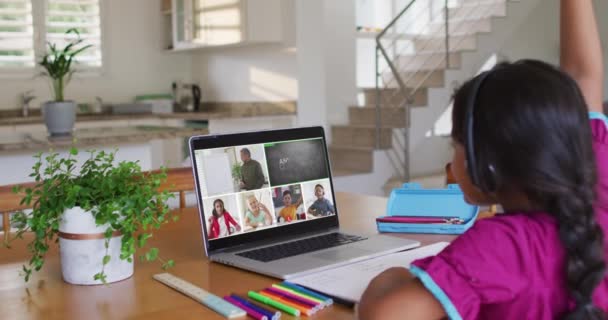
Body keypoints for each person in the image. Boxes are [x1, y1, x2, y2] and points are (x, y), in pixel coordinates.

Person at [358, 1, 607, 319]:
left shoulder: (503, 245)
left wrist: (392, 275)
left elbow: (385, 315)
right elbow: (583, 74)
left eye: (456, 142)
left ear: (487, 163)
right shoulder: (596, 173)